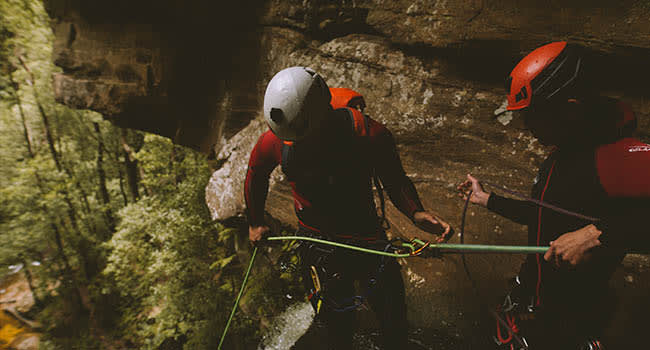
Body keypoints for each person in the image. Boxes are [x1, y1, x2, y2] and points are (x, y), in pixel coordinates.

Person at [457, 41, 650, 349]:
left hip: (566, 323)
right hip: (533, 301)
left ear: (570, 110)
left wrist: (597, 233)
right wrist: (486, 199)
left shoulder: (619, 156)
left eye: (532, 115)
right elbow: (545, 213)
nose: (526, 125)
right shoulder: (564, 154)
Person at [244, 66, 452, 349]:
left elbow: (394, 178)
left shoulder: (368, 133)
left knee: (393, 317)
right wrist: (255, 221)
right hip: (316, 242)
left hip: (366, 237)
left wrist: (416, 213)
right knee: (336, 326)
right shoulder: (279, 140)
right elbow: (256, 172)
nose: (298, 143)